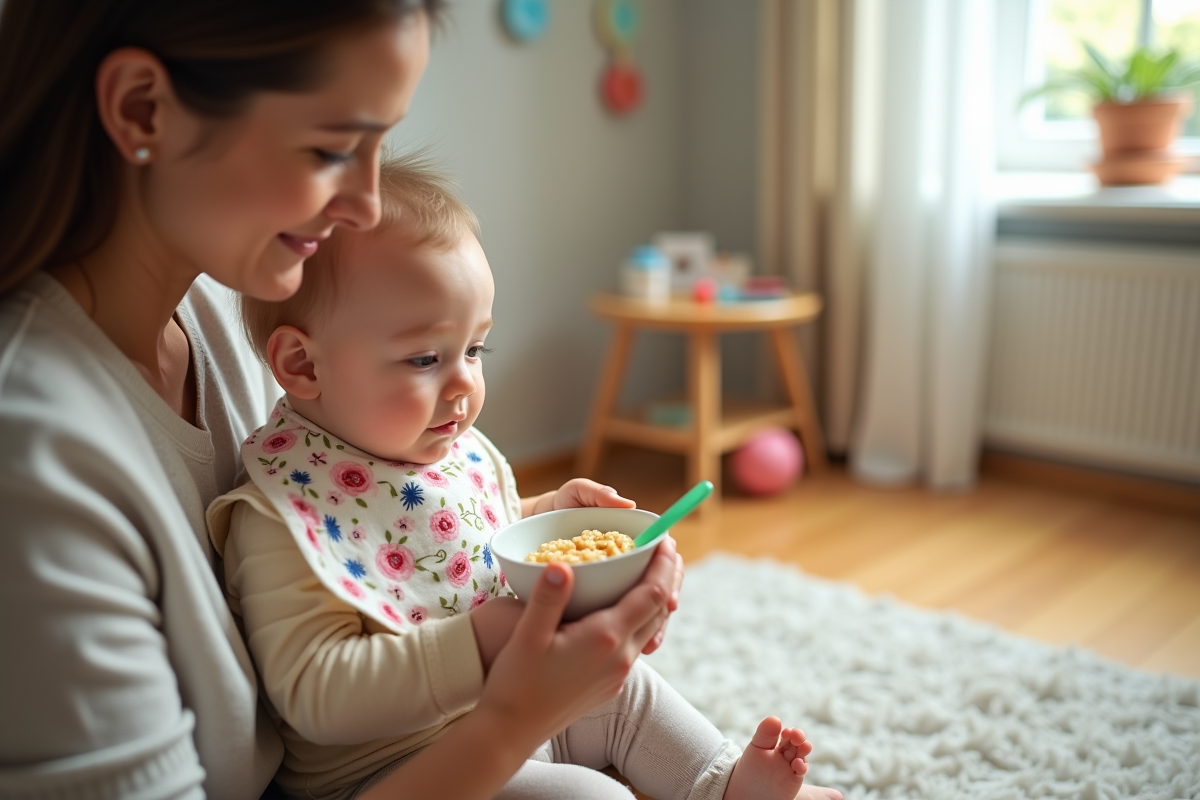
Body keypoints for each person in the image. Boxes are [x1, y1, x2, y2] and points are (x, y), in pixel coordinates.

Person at [0, 2, 690, 799]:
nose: (363, 204)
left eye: (379, 146)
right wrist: (513, 718)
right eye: (333, 148)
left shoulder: (228, 309)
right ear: (142, 109)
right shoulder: (33, 460)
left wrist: (531, 533)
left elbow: (373, 519)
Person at [207, 155, 842, 800]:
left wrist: (546, 514)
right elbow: (315, 694)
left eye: (475, 349)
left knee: (624, 693)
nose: (464, 382)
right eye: (424, 358)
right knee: (598, 798)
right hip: (402, 773)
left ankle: (722, 784)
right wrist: (480, 643)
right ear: (303, 364)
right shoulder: (284, 515)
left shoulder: (423, 446)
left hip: (511, 710)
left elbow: (458, 540)